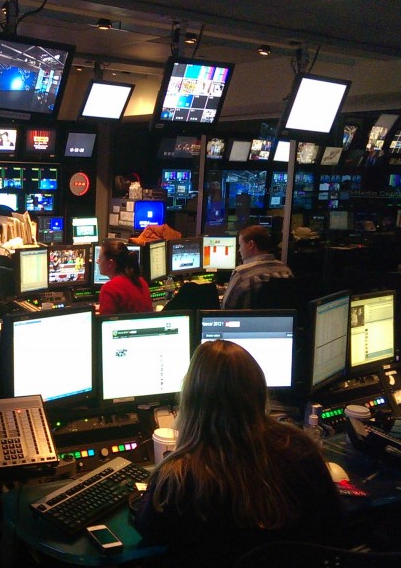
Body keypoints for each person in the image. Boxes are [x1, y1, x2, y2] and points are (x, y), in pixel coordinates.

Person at [135, 340, 345, 566]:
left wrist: (149, 490)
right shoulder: (299, 447)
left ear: (192, 400)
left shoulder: (179, 475)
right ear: (259, 390)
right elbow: (334, 523)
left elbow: (148, 529)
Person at [220, 224, 293, 309]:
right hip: (280, 318)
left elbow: (226, 308)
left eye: (240, 245)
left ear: (251, 244)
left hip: (247, 318)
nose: (239, 250)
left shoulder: (242, 274)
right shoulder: (286, 270)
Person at [96, 240, 152, 315]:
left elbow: (105, 321)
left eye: (100, 258)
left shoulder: (109, 289)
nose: (97, 261)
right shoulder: (141, 281)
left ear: (110, 263)